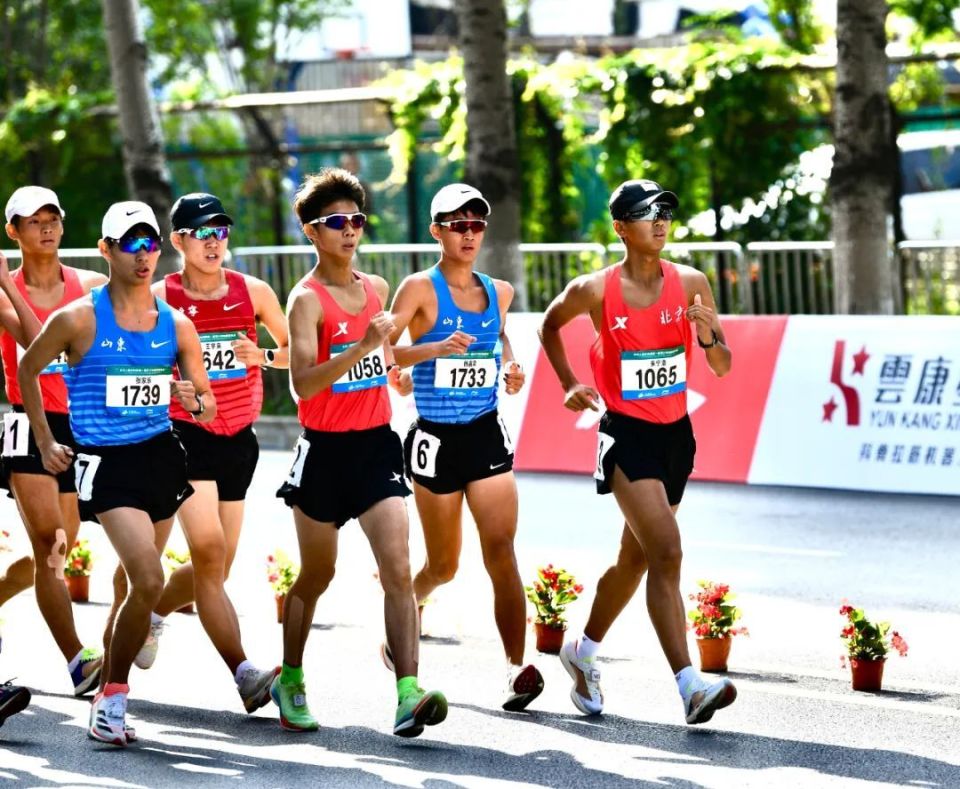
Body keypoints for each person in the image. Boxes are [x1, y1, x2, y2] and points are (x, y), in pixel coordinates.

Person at [538, 179, 736, 725]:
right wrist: (569, 382)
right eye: (648, 212)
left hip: (677, 437)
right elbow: (549, 325)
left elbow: (722, 367)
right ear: (621, 227)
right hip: (627, 437)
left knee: (635, 559)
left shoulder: (691, 282)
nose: (661, 219)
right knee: (667, 553)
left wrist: (709, 335)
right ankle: (690, 685)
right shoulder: (594, 289)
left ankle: (581, 652)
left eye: (666, 210)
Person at [18, 201, 216, 746]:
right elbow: (28, 368)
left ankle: (106, 677)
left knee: (134, 585)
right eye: (130, 243)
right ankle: (112, 699)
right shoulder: (78, 318)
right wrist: (45, 439)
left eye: (150, 242)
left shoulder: (176, 324)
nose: (143, 254)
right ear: (105, 250)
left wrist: (193, 401)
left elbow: (207, 405)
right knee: (150, 578)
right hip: (106, 464)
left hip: (161, 458)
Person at [275, 167, 446, 738]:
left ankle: (407, 693)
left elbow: (386, 359)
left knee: (397, 569)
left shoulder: (375, 286)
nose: (350, 230)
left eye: (357, 219)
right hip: (323, 453)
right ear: (311, 231)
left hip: (376, 446)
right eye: (336, 222)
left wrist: (429, 352)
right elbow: (303, 384)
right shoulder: (306, 300)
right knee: (316, 574)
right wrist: (363, 345)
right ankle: (290, 678)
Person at [387, 183, 542, 711]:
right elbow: (384, 352)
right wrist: (428, 352)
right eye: (458, 225)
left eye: (477, 224)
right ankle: (407, 606)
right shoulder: (418, 288)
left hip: (484, 431)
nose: (470, 234)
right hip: (435, 438)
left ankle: (515, 668)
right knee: (444, 565)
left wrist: (512, 368)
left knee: (501, 550)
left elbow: (499, 339)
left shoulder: (500, 291)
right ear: (437, 231)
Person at [131, 192, 287, 713]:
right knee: (210, 552)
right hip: (185, 436)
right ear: (178, 241)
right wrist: (166, 385)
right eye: (201, 233)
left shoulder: (253, 291)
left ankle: (149, 612)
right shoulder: (160, 296)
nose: (214, 241)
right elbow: (133, 361)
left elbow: (298, 352)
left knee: (216, 571)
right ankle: (245, 674)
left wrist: (263, 354)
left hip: (239, 439)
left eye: (220, 231)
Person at [0, 186, 106, 697]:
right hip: (28, 421)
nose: (45, 227)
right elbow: (35, 342)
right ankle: (78, 660)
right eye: (32, 220)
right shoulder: (3, 291)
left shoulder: (90, 284)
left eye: (52, 218)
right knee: (49, 545)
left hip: (81, 424)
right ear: (13, 232)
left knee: (63, 547)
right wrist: (8, 285)